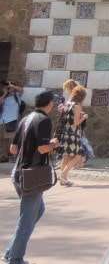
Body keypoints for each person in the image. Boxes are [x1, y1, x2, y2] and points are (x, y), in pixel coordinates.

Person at [4, 91, 59, 264]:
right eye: (53, 103)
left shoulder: (26, 119)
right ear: (49, 104)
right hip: (31, 176)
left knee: (38, 210)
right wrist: (55, 143)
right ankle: (15, 258)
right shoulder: (44, 120)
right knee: (26, 221)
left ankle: (11, 252)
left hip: (18, 173)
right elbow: (43, 148)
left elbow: (13, 149)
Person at [56, 84, 87, 186]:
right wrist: (84, 117)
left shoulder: (68, 104)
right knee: (78, 156)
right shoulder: (77, 106)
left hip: (66, 132)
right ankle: (63, 175)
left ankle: (63, 179)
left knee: (66, 156)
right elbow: (76, 123)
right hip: (73, 134)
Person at [0, 82, 25, 163]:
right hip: (3, 120)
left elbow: (21, 90)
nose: (8, 89)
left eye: (9, 88)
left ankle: (13, 156)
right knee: (3, 139)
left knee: (12, 139)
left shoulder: (17, 96)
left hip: (12, 120)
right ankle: (4, 156)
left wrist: (12, 86)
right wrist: (5, 93)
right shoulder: (4, 96)